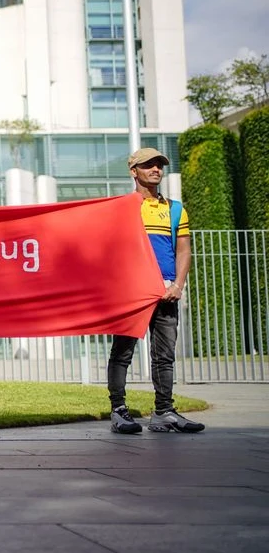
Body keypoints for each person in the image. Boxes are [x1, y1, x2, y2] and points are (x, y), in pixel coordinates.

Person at [108, 147, 205, 435]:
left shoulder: (175, 209)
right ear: (133, 171)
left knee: (164, 355)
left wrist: (178, 285)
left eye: (159, 165)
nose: (156, 169)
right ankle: (118, 411)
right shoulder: (122, 207)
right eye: (148, 164)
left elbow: (184, 251)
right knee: (122, 352)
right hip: (131, 292)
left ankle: (163, 412)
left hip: (166, 291)